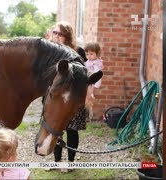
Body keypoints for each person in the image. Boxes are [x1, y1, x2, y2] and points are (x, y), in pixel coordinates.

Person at [47, 21, 88, 173]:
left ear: (67, 36)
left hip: (72, 99)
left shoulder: (78, 51)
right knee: (55, 129)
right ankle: (57, 162)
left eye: (59, 34)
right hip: (56, 99)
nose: (56, 36)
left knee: (72, 130)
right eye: (54, 32)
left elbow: (83, 75)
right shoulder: (50, 51)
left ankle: (70, 163)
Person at [84, 42, 103, 120]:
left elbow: (98, 75)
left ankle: (88, 112)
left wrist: (96, 85)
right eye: (87, 54)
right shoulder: (88, 62)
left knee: (88, 96)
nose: (89, 56)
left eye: (91, 54)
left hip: (93, 82)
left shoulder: (96, 63)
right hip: (87, 80)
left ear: (97, 53)